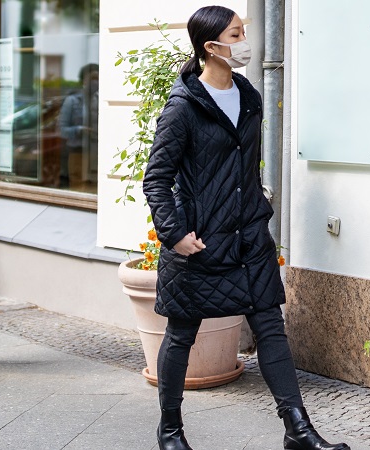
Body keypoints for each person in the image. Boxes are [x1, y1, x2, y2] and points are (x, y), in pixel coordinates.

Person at [143, 6, 348, 450]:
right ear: (211, 47)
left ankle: (298, 429)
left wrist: (258, 209)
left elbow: (244, 167)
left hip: (249, 237)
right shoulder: (183, 107)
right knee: (181, 334)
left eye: (243, 32)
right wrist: (174, 234)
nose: (244, 41)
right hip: (199, 242)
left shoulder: (248, 95)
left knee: (270, 327)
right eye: (236, 34)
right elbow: (156, 179)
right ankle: (170, 430)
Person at [58, 63, 99, 189]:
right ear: (83, 80)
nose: (95, 82)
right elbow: (61, 130)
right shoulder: (72, 101)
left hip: (97, 153)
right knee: (78, 187)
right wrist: (79, 130)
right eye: (92, 78)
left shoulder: (101, 100)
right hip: (77, 152)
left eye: (98, 78)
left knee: (95, 188)